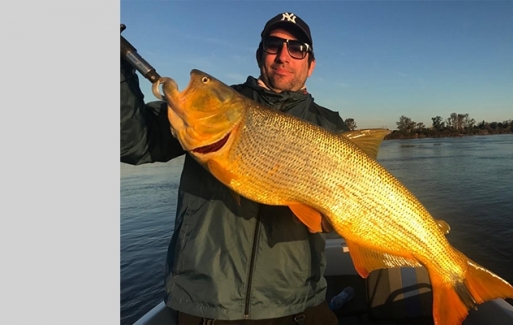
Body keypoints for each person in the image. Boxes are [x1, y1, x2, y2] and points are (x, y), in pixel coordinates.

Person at [121, 12, 349, 325]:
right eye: (273, 45)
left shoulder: (330, 127)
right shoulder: (214, 103)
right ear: (260, 55)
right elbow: (132, 143)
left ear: (310, 64)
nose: (283, 56)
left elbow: (348, 211)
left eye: (297, 48)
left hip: (296, 304)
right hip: (206, 305)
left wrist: (332, 219)